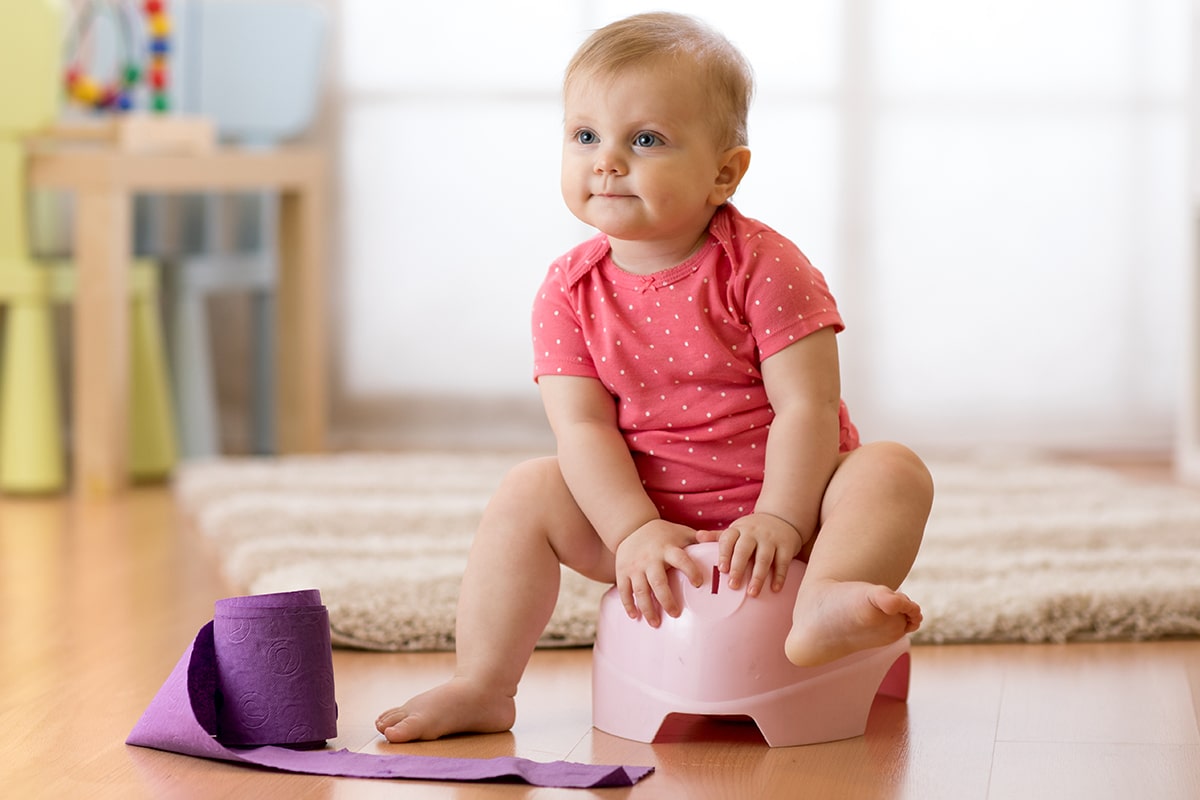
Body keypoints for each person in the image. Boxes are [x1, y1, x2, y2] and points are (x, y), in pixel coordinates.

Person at [376, 11, 933, 743]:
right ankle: (483, 683)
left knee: (892, 471)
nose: (606, 160)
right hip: (646, 525)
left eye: (644, 140)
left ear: (724, 172)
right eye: (584, 136)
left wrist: (783, 519)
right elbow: (582, 426)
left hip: (794, 516)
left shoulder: (764, 266)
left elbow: (809, 407)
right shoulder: (568, 291)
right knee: (527, 491)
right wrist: (633, 528)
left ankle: (823, 598)